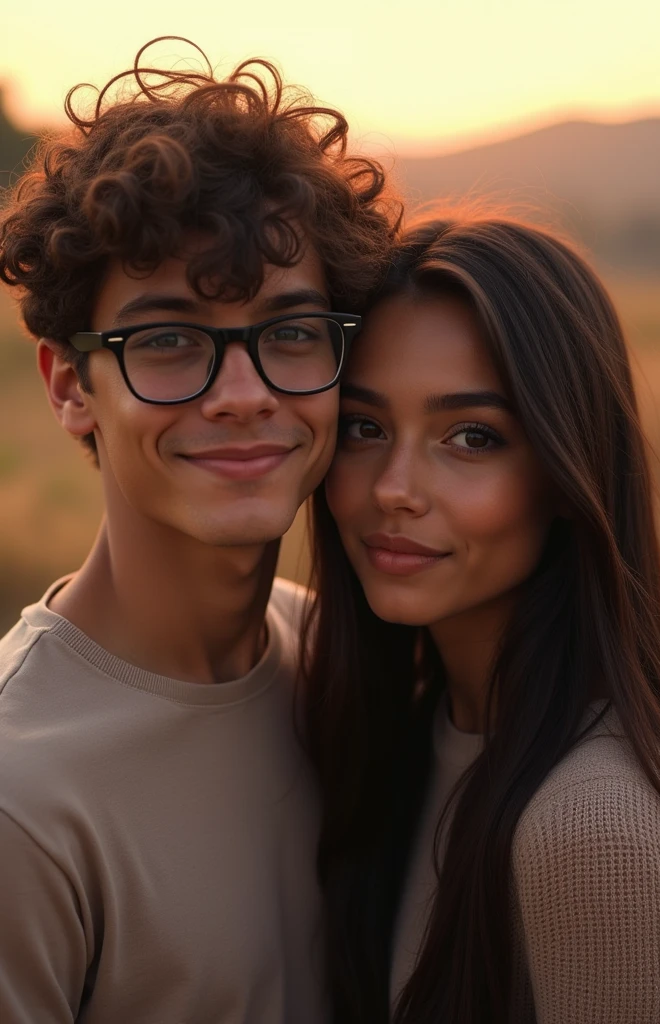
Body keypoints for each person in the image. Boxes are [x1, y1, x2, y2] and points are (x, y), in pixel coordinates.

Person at [0, 37, 399, 1023]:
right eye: (169, 339)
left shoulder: (339, 659)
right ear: (69, 387)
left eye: (291, 332)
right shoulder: (23, 796)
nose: (243, 395)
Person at [304, 214, 660, 1023]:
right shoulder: (413, 732)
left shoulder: (592, 830)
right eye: (364, 428)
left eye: (472, 437)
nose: (393, 488)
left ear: (564, 472)